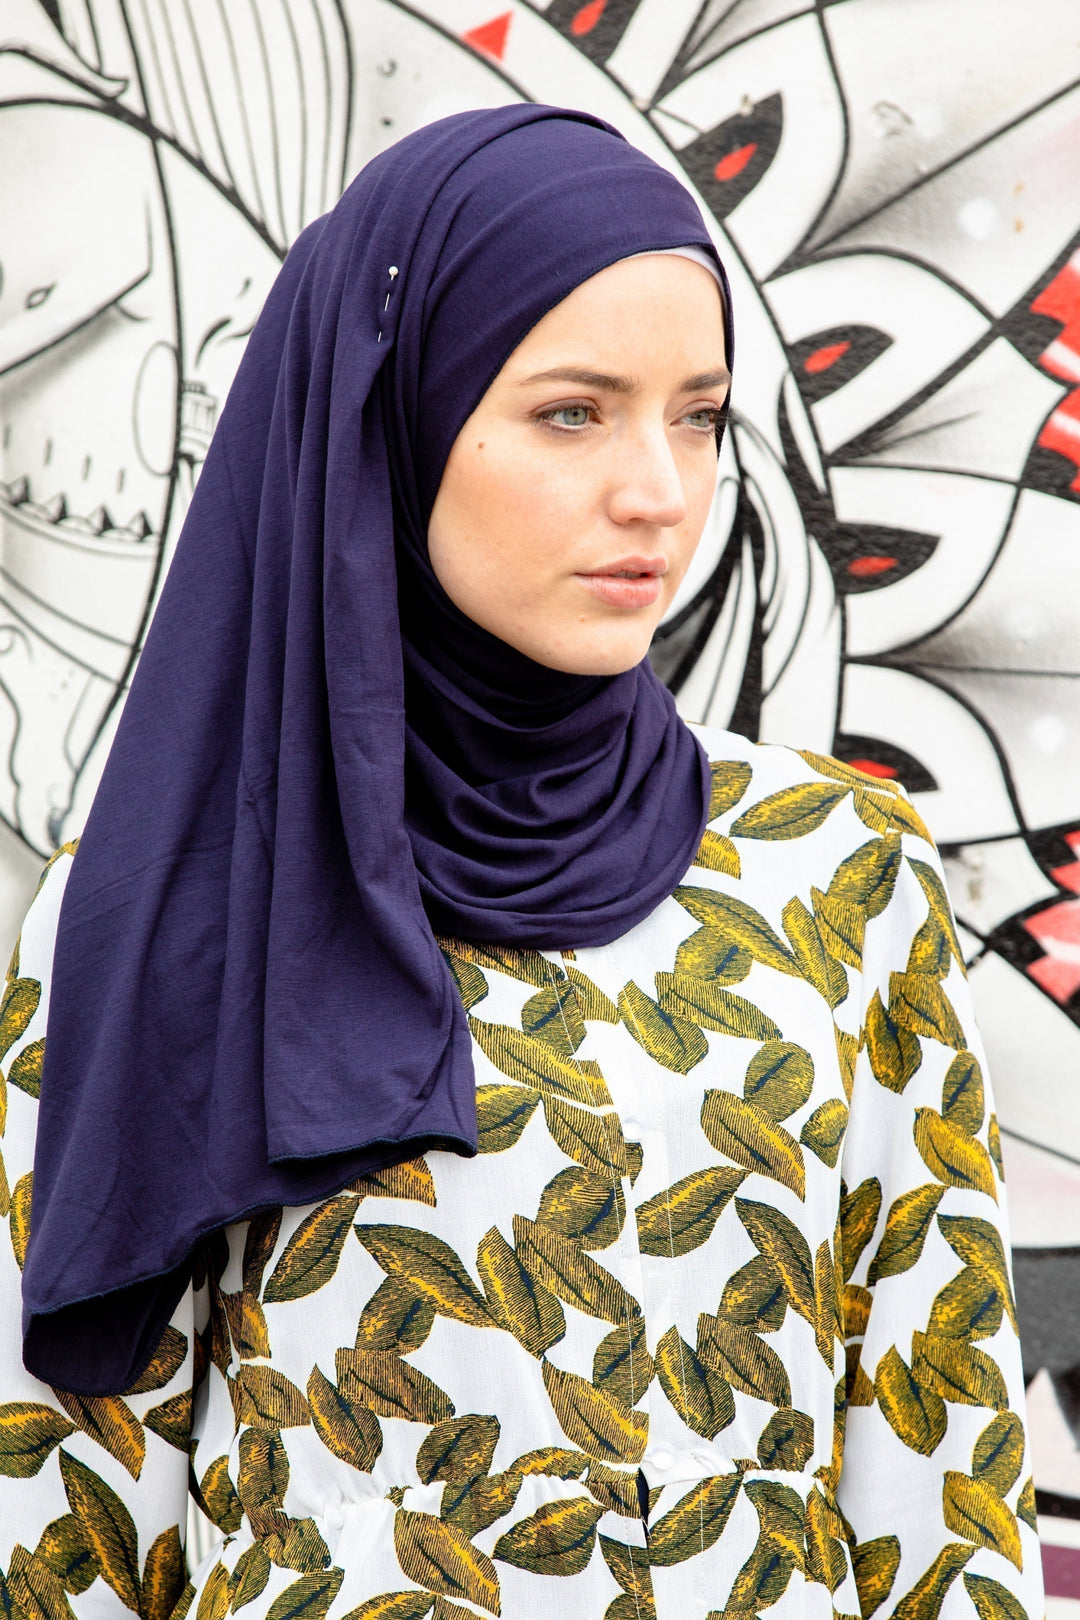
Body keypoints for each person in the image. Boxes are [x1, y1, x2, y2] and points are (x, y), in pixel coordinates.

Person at [0, 106, 1041, 1620]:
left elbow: (937, 1459)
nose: (660, 491)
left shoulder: (838, 874)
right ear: (393, 417)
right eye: (573, 411)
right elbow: (61, 1512)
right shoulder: (172, 897)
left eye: (698, 415)